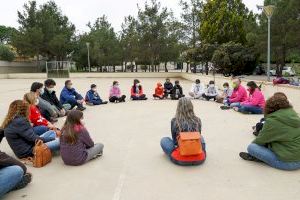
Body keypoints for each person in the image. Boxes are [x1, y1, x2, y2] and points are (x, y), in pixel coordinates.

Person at [239, 93, 300, 170]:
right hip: (297, 156)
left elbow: (259, 141)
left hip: (288, 163)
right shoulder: (293, 114)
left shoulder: (273, 121)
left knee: (252, 147)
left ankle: (260, 159)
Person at [160, 97, 206, 166]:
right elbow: (197, 138)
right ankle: (197, 152)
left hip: (180, 158)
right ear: (191, 107)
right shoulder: (198, 120)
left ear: (178, 108)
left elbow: (175, 141)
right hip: (200, 158)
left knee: (164, 140)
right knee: (200, 137)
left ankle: (180, 153)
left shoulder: (175, 121)